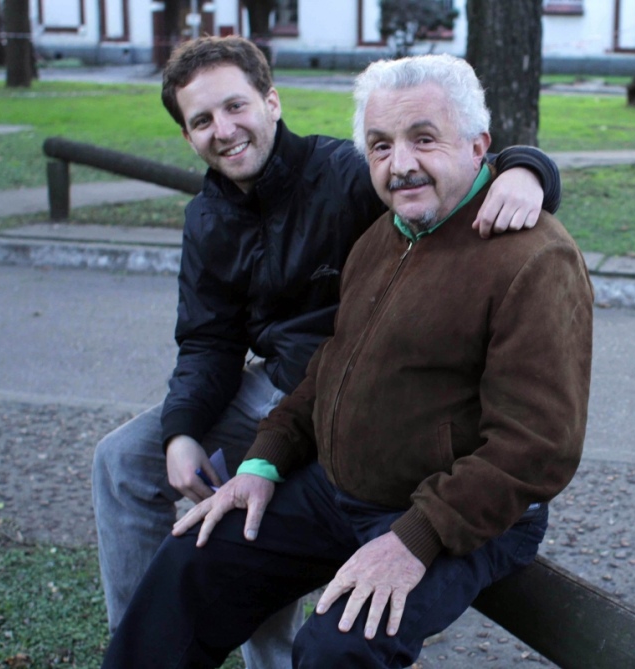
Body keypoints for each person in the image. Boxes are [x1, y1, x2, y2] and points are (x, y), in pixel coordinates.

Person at [101, 52, 593, 668]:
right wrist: (261, 461)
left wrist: (415, 538)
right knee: (190, 563)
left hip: (455, 513)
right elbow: (330, 366)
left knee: (336, 649)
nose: (401, 164)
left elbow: (536, 447)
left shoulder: (534, 259)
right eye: (380, 146)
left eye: (423, 139)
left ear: (478, 147)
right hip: (338, 489)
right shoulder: (382, 236)